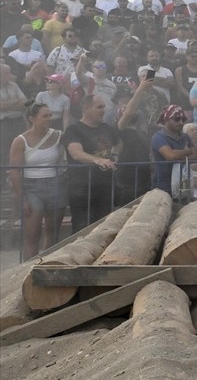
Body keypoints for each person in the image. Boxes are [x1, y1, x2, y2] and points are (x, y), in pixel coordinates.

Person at [8, 102, 67, 259]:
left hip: (55, 184)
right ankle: (28, 272)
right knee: (32, 236)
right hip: (32, 187)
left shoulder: (58, 135)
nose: (49, 119)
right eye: (45, 116)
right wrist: (22, 199)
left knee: (53, 233)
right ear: (32, 119)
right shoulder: (20, 141)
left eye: (50, 115)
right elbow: (14, 172)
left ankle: (49, 267)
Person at [64, 93, 122, 230]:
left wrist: (114, 155)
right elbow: (76, 153)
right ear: (86, 108)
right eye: (99, 107)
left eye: (104, 107)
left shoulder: (106, 128)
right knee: (81, 228)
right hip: (82, 188)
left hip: (105, 186)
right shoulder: (74, 129)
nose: (103, 110)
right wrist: (98, 160)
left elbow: (119, 143)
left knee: (103, 227)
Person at [150, 105, 197, 197]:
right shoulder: (158, 137)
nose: (180, 122)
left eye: (183, 120)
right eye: (177, 119)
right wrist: (187, 152)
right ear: (167, 120)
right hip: (163, 186)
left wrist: (178, 155)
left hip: (183, 184)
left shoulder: (185, 136)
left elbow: (195, 156)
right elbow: (170, 155)